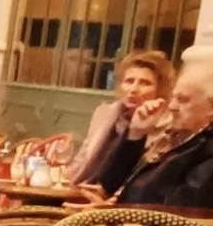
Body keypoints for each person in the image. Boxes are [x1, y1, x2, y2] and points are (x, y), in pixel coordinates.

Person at [89, 61, 213, 209]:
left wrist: (116, 212)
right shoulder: (190, 136)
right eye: (173, 97)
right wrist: (136, 134)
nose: (172, 106)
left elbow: (182, 211)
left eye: (183, 100)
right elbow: (108, 185)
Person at [67, 50, 175, 184]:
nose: (134, 89)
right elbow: (82, 159)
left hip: (120, 198)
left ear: (160, 90)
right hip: (83, 188)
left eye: (145, 83)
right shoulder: (105, 113)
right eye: (129, 81)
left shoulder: (167, 127)